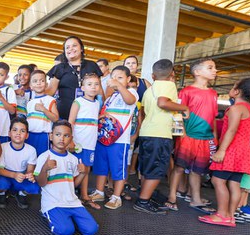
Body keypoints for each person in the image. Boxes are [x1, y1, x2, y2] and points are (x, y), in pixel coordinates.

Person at [200, 78, 250, 227]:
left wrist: (221, 150)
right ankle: (230, 216)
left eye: (233, 86)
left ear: (237, 91)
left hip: (232, 150)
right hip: (245, 151)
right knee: (234, 184)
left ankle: (221, 214)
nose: (232, 89)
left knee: (217, 181)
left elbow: (231, 130)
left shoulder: (235, 108)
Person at [134, 59, 189, 215]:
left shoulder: (147, 90)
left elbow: (143, 112)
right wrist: (184, 107)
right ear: (172, 74)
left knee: (146, 168)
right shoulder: (169, 85)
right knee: (157, 169)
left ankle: (145, 196)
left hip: (146, 132)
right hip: (159, 134)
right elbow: (163, 103)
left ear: (153, 75)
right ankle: (143, 201)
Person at [167, 59, 218, 213]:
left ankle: (195, 199)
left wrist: (214, 137)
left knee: (198, 171)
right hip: (187, 136)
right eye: (210, 67)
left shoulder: (213, 93)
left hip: (206, 138)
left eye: (214, 68)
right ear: (197, 72)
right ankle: (171, 197)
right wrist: (179, 135)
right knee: (179, 168)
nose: (215, 70)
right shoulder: (186, 91)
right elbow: (177, 114)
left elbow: (213, 117)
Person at [34, 120, 99, 235]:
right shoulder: (44, 157)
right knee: (65, 231)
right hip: (53, 203)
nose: (62, 139)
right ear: (51, 136)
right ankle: (48, 214)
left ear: (71, 138)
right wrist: (45, 168)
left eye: (66, 135)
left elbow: (73, 185)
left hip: (73, 202)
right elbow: (41, 183)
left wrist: (83, 173)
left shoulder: (73, 159)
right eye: (58, 135)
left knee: (91, 229)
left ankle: (68, 218)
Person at [90, 66, 138, 210]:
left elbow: (130, 101)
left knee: (118, 169)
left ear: (128, 79)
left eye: (120, 77)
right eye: (114, 77)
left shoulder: (131, 92)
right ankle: (99, 192)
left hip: (120, 141)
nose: (116, 80)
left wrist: (118, 85)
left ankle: (116, 197)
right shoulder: (111, 98)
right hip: (104, 139)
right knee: (101, 166)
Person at [46, 36, 103, 120]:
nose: (71, 49)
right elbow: (50, 91)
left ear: (81, 49)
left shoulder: (92, 65)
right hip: (64, 116)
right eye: (67, 47)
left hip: (88, 116)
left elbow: (99, 91)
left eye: (74, 46)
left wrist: (102, 110)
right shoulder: (59, 68)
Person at [68, 73, 102, 209]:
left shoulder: (97, 103)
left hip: (90, 143)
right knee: (76, 169)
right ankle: (70, 194)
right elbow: (70, 121)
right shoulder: (78, 102)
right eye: (89, 84)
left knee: (86, 169)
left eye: (96, 84)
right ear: (83, 87)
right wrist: (70, 141)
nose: (93, 87)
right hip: (78, 143)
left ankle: (84, 195)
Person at [0, 116, 41, 209]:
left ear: (27, 135)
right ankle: (2, 194)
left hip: (21, 178)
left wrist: (30, 175)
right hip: (6, 176)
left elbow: (30, 170)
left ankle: (21, 194)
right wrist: (14, 175)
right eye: (15, 130)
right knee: (1, 183)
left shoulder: (31, 150)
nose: (18, 133)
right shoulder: (3, 147)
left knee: (35, 187)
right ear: (9, 133)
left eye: (22, 131)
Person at [26, 69, 59, 156]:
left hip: (43, 136)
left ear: (46, 84)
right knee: (30, 158)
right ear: (31, 86)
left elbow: (56, 118)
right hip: (30, 135)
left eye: (42, 80)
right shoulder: (29, 103)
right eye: (35, 81)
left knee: (43, 158)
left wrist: (43, 109)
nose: (38, 83)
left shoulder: (50, 100)